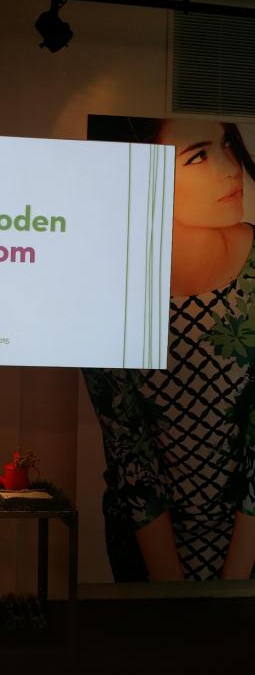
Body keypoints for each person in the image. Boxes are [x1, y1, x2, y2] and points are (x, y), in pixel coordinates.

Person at [84, 117, 255, 582]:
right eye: (197, 156)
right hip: (146, 542)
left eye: (227, 144)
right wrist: (170, 590)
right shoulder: (107, 281)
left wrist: (232, 584)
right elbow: (127, 445)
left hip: (248, 540)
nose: (230, 167)